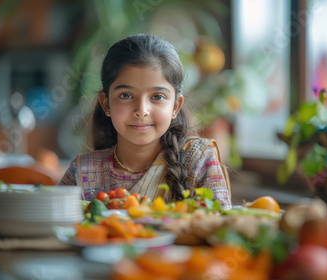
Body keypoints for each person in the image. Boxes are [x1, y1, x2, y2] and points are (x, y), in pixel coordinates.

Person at [59, 34, 232, 209]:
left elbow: (221, 228)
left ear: (175, 106)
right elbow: (57, 227)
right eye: (126, 95)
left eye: (157, 96)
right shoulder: (82, 171)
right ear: (106, 104)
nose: (141, 110)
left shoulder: (199, 161)